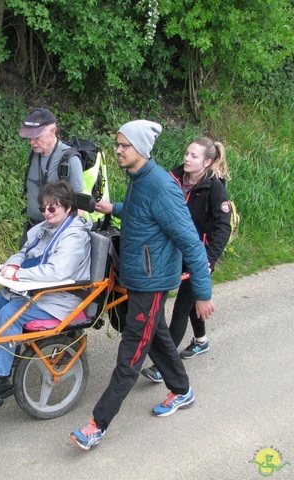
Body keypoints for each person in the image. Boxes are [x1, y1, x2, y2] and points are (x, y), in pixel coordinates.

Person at [69, 120, 215, 451]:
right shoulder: (139, 180)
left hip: (152, 281)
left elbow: (191, 241)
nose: (118, 150)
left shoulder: (161, 185)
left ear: (141, 150)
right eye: (117, 144)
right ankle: (182, 389)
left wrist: (203, 294)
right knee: (156, 335)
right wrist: (112, 208)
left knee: (132, 351)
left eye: (124, 145)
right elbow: (140, 213)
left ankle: (98, 424)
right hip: (137, 276)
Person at [0, 181, 92, 399]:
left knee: (9, 314)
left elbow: (57, 272)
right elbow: (24, 252)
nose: (46, 213)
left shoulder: (75, 236)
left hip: (59, 297)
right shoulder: (43, 229)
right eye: (43, 208)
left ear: (67, 207)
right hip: (33, 290)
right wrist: (13, 264)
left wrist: (18, 275)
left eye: (52, 208)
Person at [141, 137, 231, 383]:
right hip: (173, 252)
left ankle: (164, 366)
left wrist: (208, 261)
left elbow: (223, 228)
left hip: (198, 256)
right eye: (187, 153)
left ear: (207, 162)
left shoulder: (215, 188)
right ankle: (200, 341)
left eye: (193, 156)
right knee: (190, 303)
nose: (187, 158)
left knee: (181, 307)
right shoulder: (174, 178)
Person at [19, 108, 85, 246]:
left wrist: (73, 241)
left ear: (53, 131)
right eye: (30, 137)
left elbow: (80, 204)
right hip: (32, 230)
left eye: (37, 137)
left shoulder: (69, 160)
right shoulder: (33, 154)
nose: (32, 142)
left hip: (57, 234)